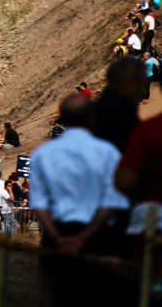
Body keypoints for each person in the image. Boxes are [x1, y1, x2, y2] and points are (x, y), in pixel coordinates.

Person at [30, 94, 130, 302]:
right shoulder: (107, 153)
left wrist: (58, 238)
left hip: (56, 236)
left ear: (62, 119)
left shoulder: (43, 153)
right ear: (92, 117)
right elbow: (111, 202)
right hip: (97, 238)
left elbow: (39, 203)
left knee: (58, 297)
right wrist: (83, 237)